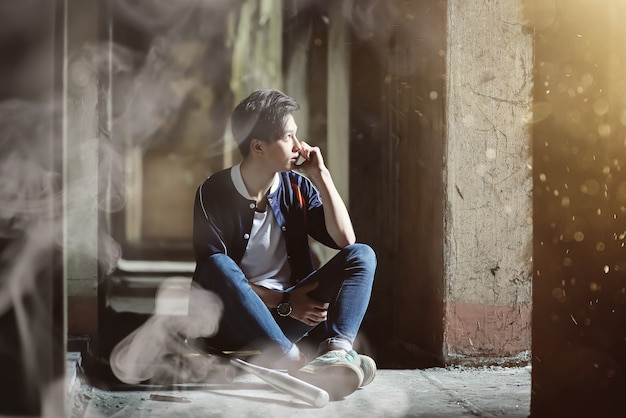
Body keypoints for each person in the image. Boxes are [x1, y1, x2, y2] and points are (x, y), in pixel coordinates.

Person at [188, 88, 377, 400]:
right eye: (288, 137)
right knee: (218, 264)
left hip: (292, 317)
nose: (300, 146)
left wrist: (322, 175)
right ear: (258, 146)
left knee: (361, 255)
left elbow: (346, 240)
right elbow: (214, 276)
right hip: (235, 322)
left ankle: (337, 353)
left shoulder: (298, 187)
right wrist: (283, 302)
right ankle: (294, 362)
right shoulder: (213, 192)